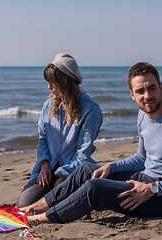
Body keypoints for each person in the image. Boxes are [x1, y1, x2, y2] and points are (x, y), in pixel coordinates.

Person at [20, 62, 162, 223]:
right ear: (132, 95)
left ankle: (41, 218)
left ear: (161, 86)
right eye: (140, 91)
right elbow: (142, 158)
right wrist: (110, 167)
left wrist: (153, 189)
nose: (147, 96)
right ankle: (37, 206)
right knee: (88, 169)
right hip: (147, 182)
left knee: (94, 188)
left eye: (151, 88)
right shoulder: (143, 115)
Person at [16, 53, 103, 208]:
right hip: (49, 167)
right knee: (24, 203)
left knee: (59, 199)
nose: (49, 87)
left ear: (66, 82)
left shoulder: (91, 110)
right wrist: (44, 166)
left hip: (75, 171)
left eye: (53, 83)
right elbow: (42, 140)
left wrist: (62, 175)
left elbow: (82, 154)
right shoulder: (47, 106)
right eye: (48, 82)